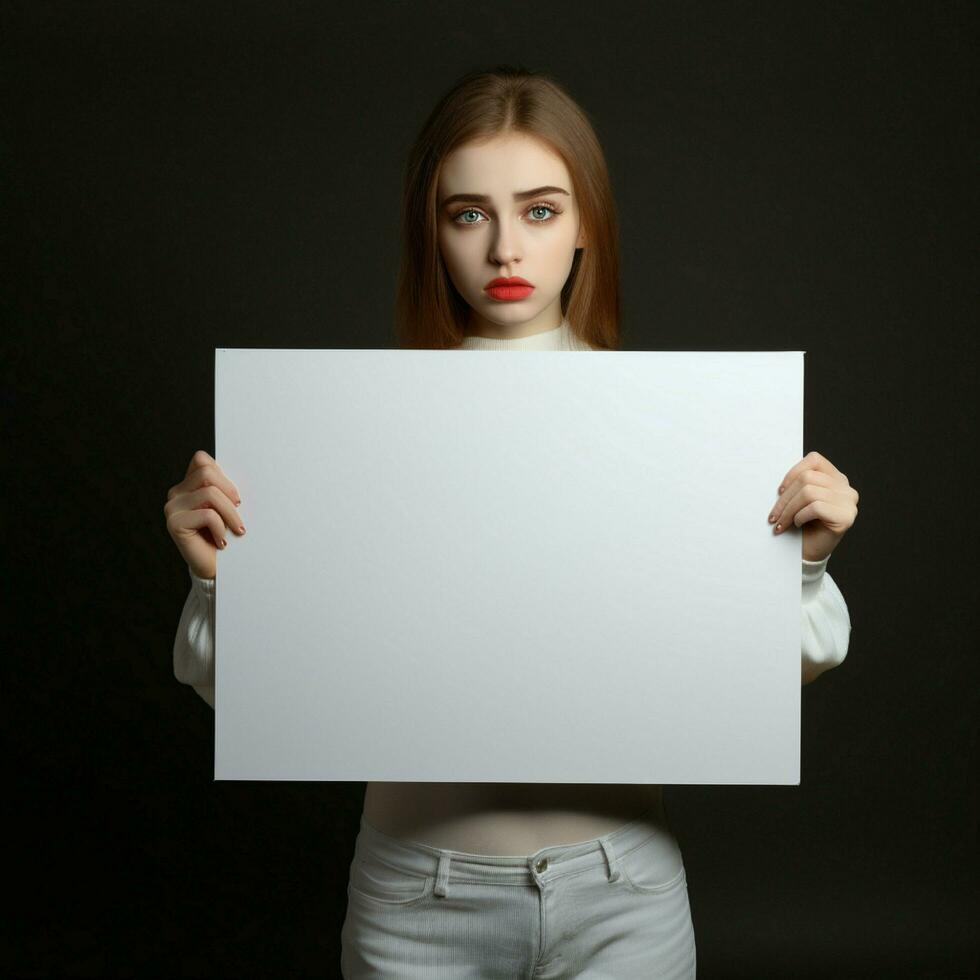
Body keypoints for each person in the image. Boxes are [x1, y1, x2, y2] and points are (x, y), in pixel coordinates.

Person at [164, 65, 858, 979]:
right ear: (433, 229)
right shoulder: (338, 433)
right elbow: (250, 696)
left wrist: (802, 566)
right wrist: (217, 577)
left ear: (585, 227)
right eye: (468, 213)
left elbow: (773, 675)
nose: (504, 251)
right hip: (417, 897)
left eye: (538, 210)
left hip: (624, 895)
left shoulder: (679, 427)